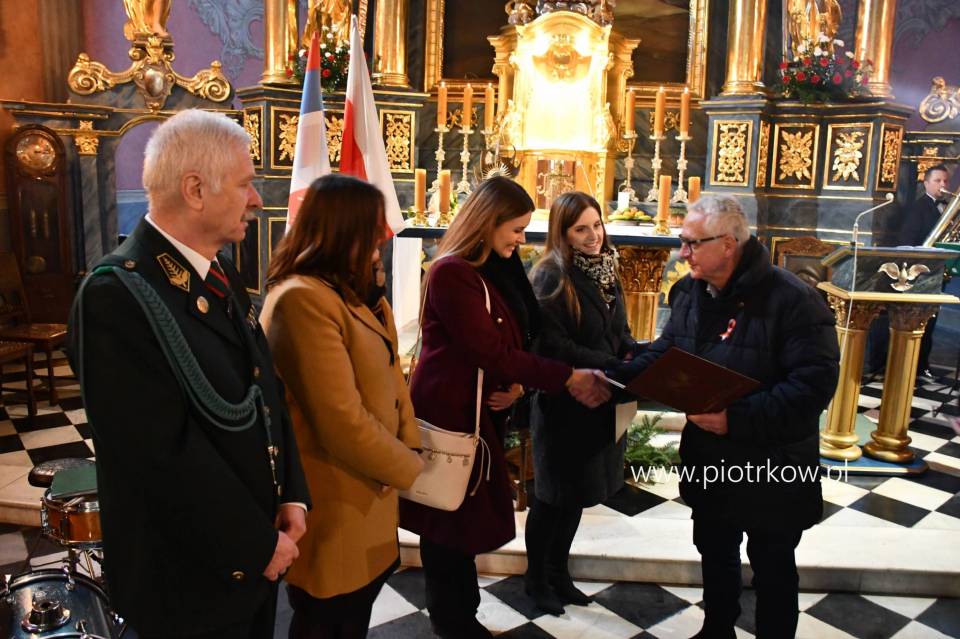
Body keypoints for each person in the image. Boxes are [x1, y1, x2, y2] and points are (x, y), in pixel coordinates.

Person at [67, 109, 311, 638]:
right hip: (186, 581)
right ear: (196, 189)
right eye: (245, 183)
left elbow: (264, 390)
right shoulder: (116, 296)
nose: (256, 199)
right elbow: (157, 453)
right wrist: (255, 543)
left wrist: (291, 493)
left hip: (251, 557)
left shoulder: (216, 270)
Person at [614, 195, 839, 639]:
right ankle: (717, 629)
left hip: (773, 461)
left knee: (772, 564)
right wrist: (610, 378)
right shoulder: (690, 292)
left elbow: (813, 386)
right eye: (683, 242)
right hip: (710, 456)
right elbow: (668, 353)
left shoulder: (795, 300)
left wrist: (735, 419)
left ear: (728, 244)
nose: (683, 253)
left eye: (692, 243)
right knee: (715, 552)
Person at [398, 177, 610, 639]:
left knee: (464, 523)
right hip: (454, 415)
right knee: (446, 522)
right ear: (487, 222)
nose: (521, 238)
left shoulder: (494, 267)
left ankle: (463, 615)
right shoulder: (453, 273)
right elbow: (487, 350)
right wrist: (565, 377)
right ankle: (453, 621)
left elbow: (517, 338)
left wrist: (517, 384)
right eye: (515, 228)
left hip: (482, 412)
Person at [259, 174, 424, 639]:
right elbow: (340, 420)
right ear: (342, 230)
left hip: (369, 491)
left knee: (352, 616)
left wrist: (410, 444)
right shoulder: (301, 300)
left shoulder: (355, 293)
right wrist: (407, 466)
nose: (381, 240)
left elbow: (393, 380)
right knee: (327, 620)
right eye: (372, 230)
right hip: (334, 496)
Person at [524, 191, 637, 615]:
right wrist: (611, 362)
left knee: (576, 496)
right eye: (581, 229)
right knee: (552, 497)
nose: (593, 236)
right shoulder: (551, 276)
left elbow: (618, 328)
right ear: (563, 233)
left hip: (601, 399)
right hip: (564, 402)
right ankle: (536, 580)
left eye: (597, 225)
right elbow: (552, 345)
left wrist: (631, 352)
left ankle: (559, 573)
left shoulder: (607, 267)